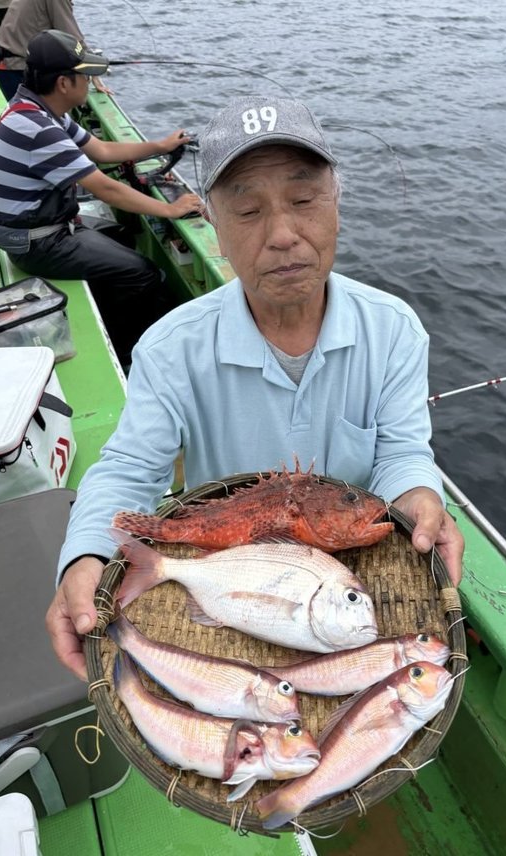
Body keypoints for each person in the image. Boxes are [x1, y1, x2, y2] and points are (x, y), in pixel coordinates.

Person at [46, 94, 465, 681]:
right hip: (229, 582)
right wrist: (84, 556)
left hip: (344, 579)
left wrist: (419, 495)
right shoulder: (171, 347)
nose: (284, 234)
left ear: (337, 205)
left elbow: (400, 452)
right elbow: (129, 467)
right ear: (214, 227)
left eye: (303, 200)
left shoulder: (393, 330)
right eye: (247, 213)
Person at [0, 29, 204, 366]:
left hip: (38, 232)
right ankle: (133, 356)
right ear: (63, 83)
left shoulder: (35, 109)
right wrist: (170, 210)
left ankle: (127, 330)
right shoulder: (39, 129)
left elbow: (101, 150)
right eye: (85, 75)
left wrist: (160, 145)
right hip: (39, 245)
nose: (90, 83)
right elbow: (106, 188)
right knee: (143, 273)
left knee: (122, 240)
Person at [0, 0, 109, 100]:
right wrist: (94, 71)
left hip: (4, 63)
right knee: (37, 124)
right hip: (15, 69)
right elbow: (72, 39)